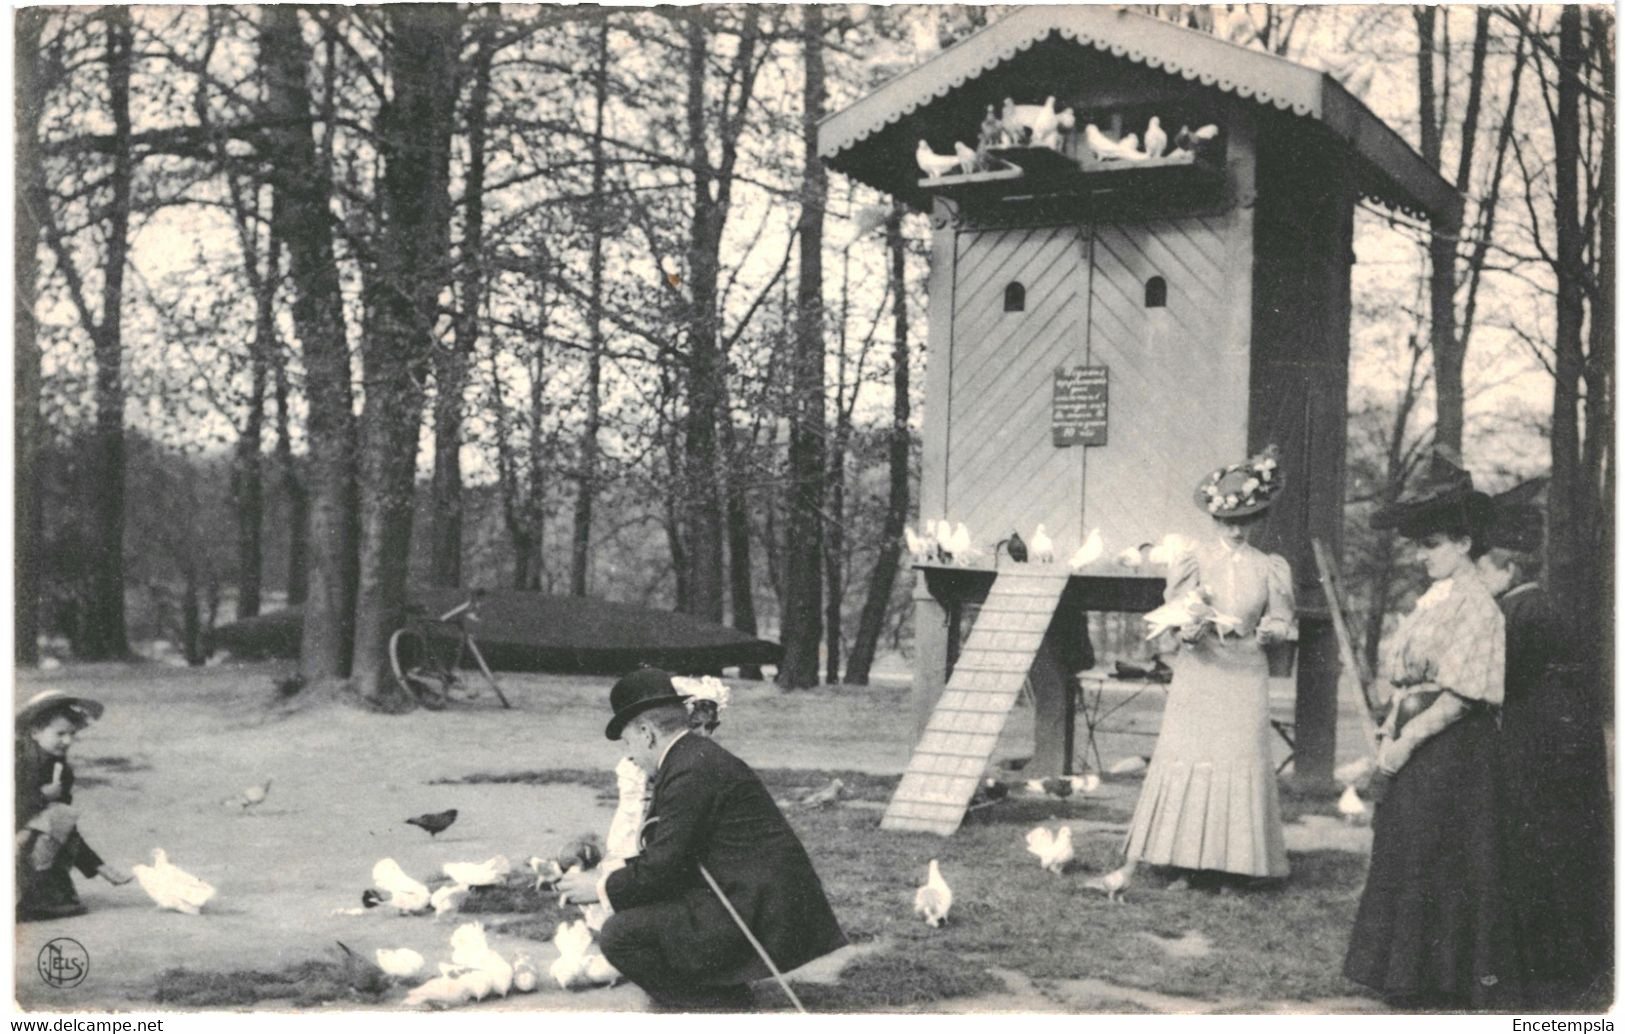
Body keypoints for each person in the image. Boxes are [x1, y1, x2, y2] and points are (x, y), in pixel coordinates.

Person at [557, 668, 847, 1011]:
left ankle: (715, 1006)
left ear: (647, 733)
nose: (630, 754)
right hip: (751, 897)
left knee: (620, 935)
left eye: (628, 742)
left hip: (754, 911)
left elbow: (663, 868)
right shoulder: (691, 758)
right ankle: (717, 994)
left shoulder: (689, 769)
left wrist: (600, 887)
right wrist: (610, 877)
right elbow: (670, 855)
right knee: (638, 906)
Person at [1343, 450, 1521, 1008]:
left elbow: (1462, 696)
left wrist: (1403, 744)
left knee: (1438, 854)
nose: (1423, 557)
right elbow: (1408, 680)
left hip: (1451, 749)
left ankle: (1440, 980)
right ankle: (1404, 974)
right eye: (1420, 546)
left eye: (1433, 545)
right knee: (1408, 849)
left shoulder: (1478, 606)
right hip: (1417, 736)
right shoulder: (1434, 599)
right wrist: (1390, 731)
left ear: (1465, 543)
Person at [1108, 445, 1296, 895]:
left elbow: (1282, 618)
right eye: (1228, 521)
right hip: (1201, 669)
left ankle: (1233, 868)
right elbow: (1176, 615)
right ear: (1214, 520)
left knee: (1238, 759)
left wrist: (1273, 630)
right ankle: (1186, 866)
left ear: (1256, 520)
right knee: (1191, 758)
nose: (1236, 529)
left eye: (1244, 520)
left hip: (1245, 670)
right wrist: (1187, 632)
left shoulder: (1269, 567)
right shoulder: (1193, 560)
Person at [1477, 506, 1612, 1004]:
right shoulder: (1538, 607)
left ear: (1508, 570)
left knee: (1543, 845)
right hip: (1564, 736)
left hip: (1542, 741)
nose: (1480, 579)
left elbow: (1502, 682)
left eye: (1485, 570)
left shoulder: (1519, 614)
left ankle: (1553, 963)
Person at [15, 690, 131, 921]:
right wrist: (39, 797)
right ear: (36, 732)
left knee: (59, 817)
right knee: (53, 816)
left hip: (27, 839)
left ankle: (36, 896)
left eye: (72, 734)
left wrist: (99, 867)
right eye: (60, 734)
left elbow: (65, 827)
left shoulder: (61, 771)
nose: (67, 741)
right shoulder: (14, 762)